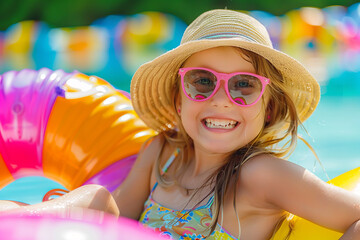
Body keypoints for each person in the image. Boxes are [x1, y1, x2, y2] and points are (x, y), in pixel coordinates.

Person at [1, 9, 359, 240]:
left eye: (244, 86)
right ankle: (20, 221)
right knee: (96, 198)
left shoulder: (260, 175)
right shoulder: (162, 153)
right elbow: (117, 219)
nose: (221, 99)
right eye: (202, 82)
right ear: (178, 98)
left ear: (268, 108)